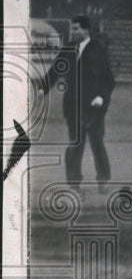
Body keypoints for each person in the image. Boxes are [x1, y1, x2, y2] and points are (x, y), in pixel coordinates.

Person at [38, 15, 115, 188]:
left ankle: (103, 178)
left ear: (86, 30)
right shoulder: (68, 49)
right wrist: (42, 88)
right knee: (75, 143)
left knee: (97, 144)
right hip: (73, 105)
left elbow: (108, 79)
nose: (73, 32)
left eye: (76, 28)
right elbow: (55, 71)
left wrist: (101, 97)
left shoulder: (98, 50)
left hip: (94, 107)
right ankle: (73, 182)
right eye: (72, 28)